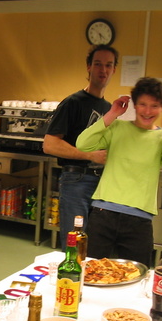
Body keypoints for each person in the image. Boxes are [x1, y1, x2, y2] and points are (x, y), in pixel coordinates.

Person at [76, 77, 162, 266]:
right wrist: (112, 114)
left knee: (138, 275)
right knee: (90, 270)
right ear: (134, 105)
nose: (147, 111)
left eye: (154, 106)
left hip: (139, 220)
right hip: (104, 214)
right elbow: (83, 144)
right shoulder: (117, 127)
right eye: (142, 104)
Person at [43, 44, 119, 251]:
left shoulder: (109, 109)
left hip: (101, 183)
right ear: (88, 67)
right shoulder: (73, 103)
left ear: (114, 70)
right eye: (97, 64)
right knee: (74, 245)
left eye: (108, 65)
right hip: (76, 181)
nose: (102, 70)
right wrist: (89, 155)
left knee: (95, 245)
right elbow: (49, 144)